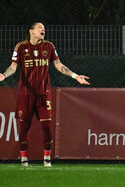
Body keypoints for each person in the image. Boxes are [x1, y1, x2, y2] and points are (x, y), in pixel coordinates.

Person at [0, 22, 90, 167]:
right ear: (31, 31)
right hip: (25, 94)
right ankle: (24, 160)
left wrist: (75, 76)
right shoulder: (21, 47)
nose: (43, 29)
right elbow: (13, 67)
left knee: (47, 127)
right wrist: (4, 75)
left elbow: (59, 65)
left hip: (44, 94)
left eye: (44, 28)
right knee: (23, 128)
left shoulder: (49, 46)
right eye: (39, 28)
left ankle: (47, 159)